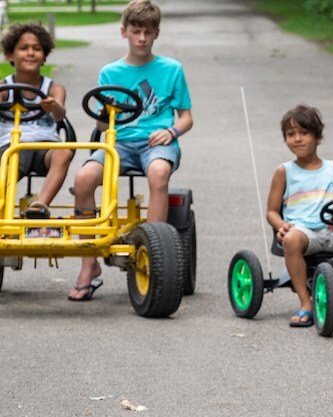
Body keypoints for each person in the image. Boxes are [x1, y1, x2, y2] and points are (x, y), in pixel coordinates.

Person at [69, 0, 193, 301]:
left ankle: (154, 253)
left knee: (159, 173)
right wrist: (104, 114)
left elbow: (187, 117)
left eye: (147, 33)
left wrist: (171, 131)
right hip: (118, 142)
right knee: (83, 179)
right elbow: (101, 121)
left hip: (156, 142)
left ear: (156, 34)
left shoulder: (172, 69)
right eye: (136, 31)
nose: (141, 38)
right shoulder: (110, 73)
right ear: (124, 31)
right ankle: (89, 263)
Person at [265, 104, 333, 328]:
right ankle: (305, 302)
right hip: (304, 233)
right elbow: (271, 212)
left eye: (304, 133)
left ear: (317, 136)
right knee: (291, 238)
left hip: (332, 232)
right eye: (291, 135)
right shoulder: (284, 171)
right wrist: (281, 225)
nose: (298, 139)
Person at [0, 22, 74, 235]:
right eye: (24, 48)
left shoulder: (53, 88)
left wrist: (54, 106)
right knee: (14, 157)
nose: (31, 53)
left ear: (44, 56)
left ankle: (39, 207)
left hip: (45, 146)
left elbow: (60, 114)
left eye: (36, 48)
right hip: (11, 147)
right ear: (10, 55)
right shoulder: (4, 88)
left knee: (64, 152)